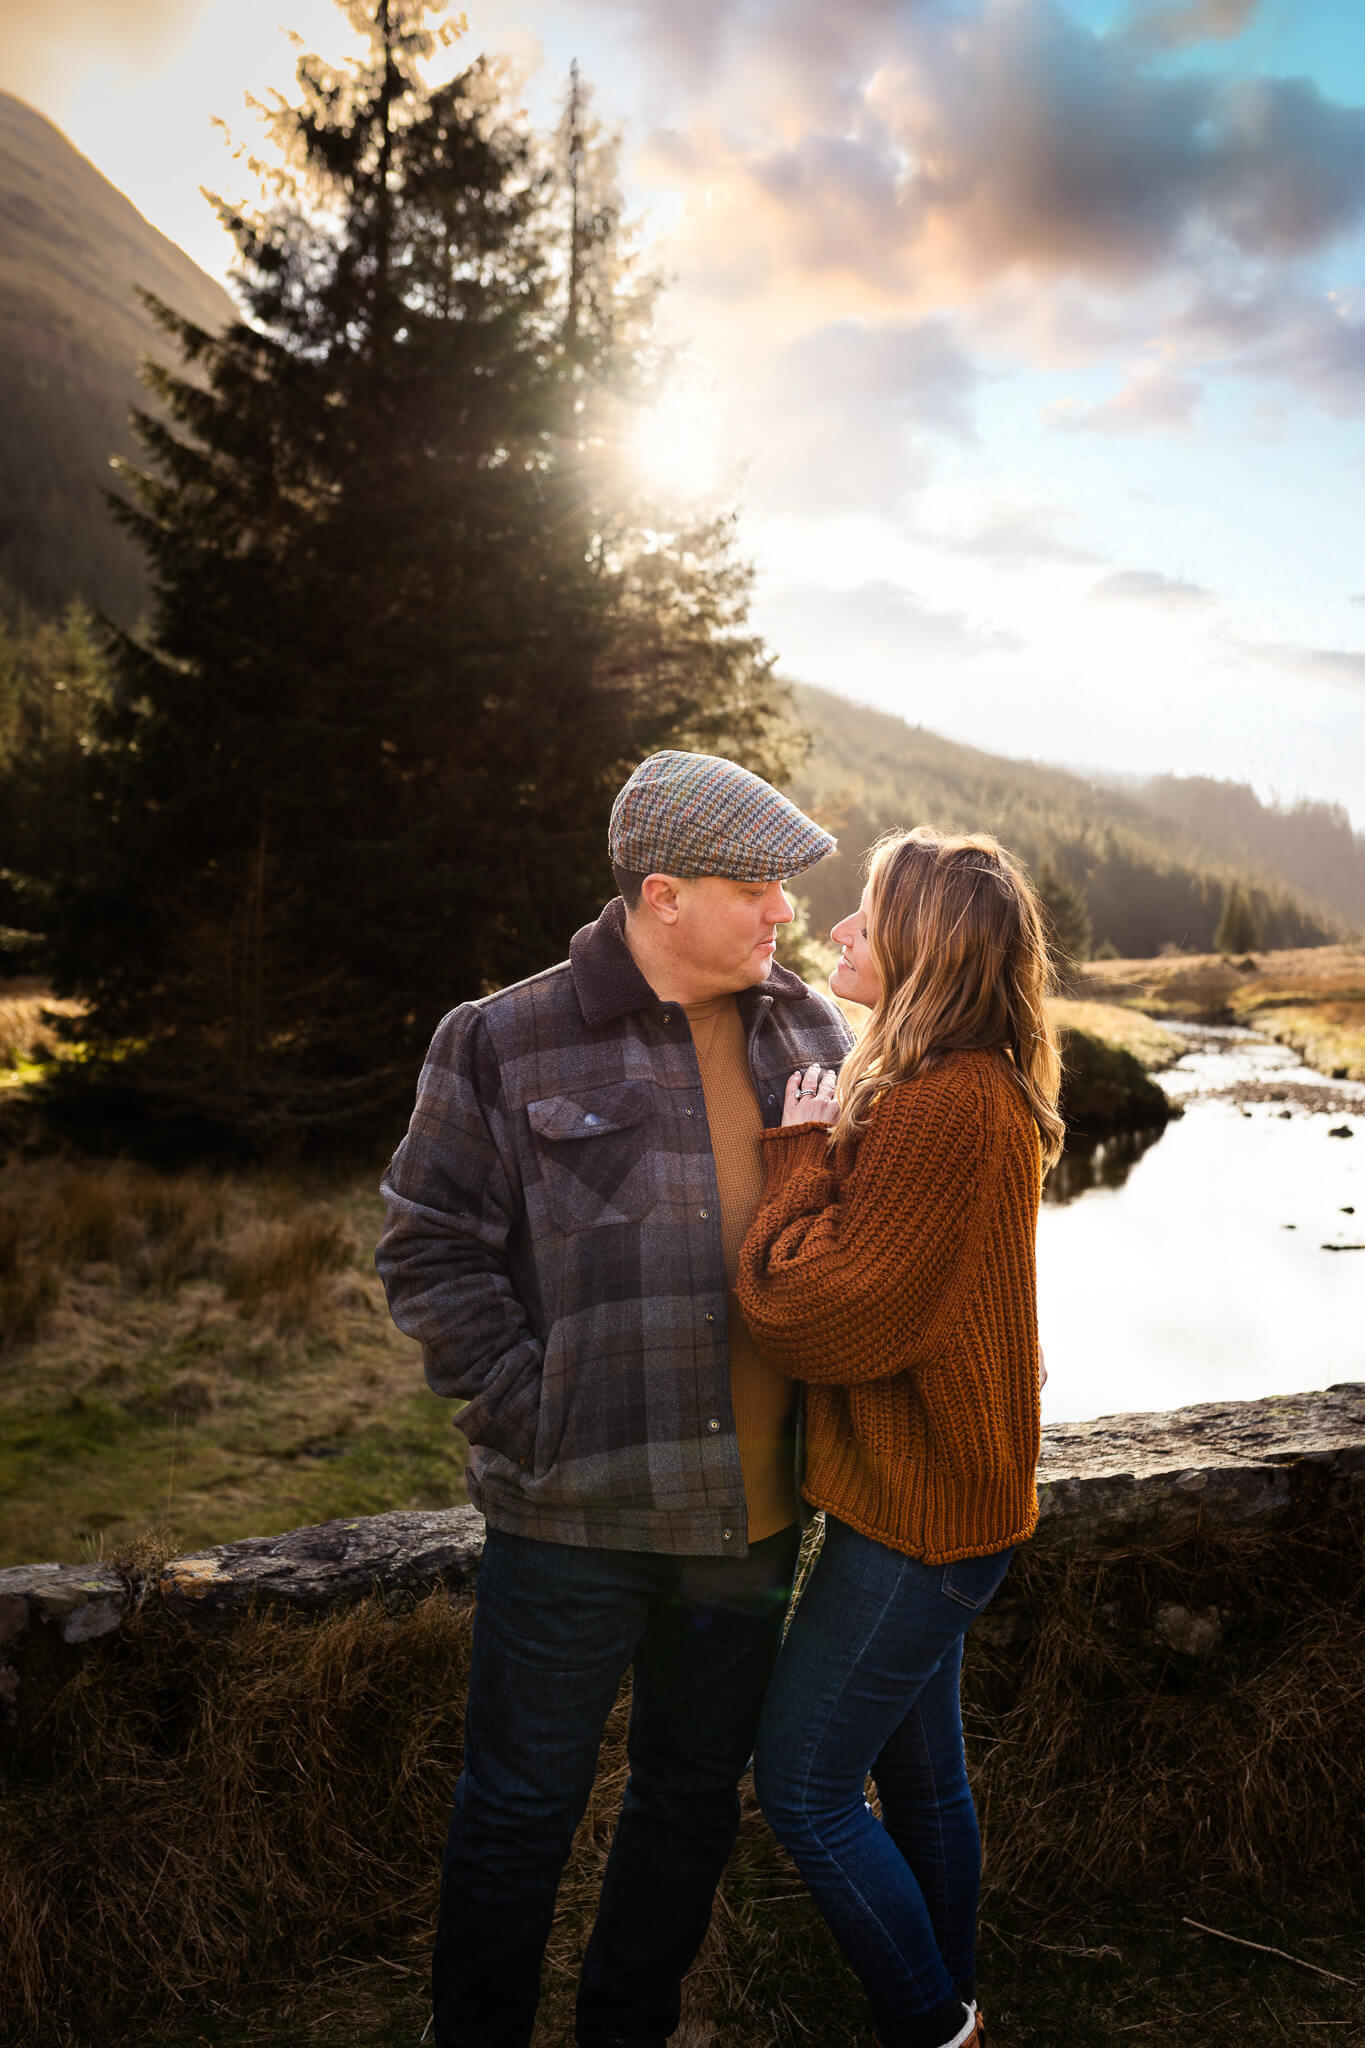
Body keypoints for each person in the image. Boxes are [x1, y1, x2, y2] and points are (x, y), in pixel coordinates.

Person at [375, 749, 852, 2048]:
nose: (781, 912)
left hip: (751, 1528)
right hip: (570, 1524)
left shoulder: (814, 1032)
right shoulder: (499, 1039)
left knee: (691, 1798)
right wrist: (529, 1416)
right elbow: (426, 1250)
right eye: (754, 886)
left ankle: (624, 2031)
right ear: (661, 895)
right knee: (519, 1812)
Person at [736, 826, 1064, 2048]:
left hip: (916, 1521)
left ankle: (934, 2023)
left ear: (924, 947)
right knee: (927, 1778)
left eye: (865, 918)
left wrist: (797, 1157)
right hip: (952, 1503)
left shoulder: (942, 1104)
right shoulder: (967, 1082)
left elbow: (813, 1311)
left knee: (807, 1784)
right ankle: (958, 1995)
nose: (835, 934)